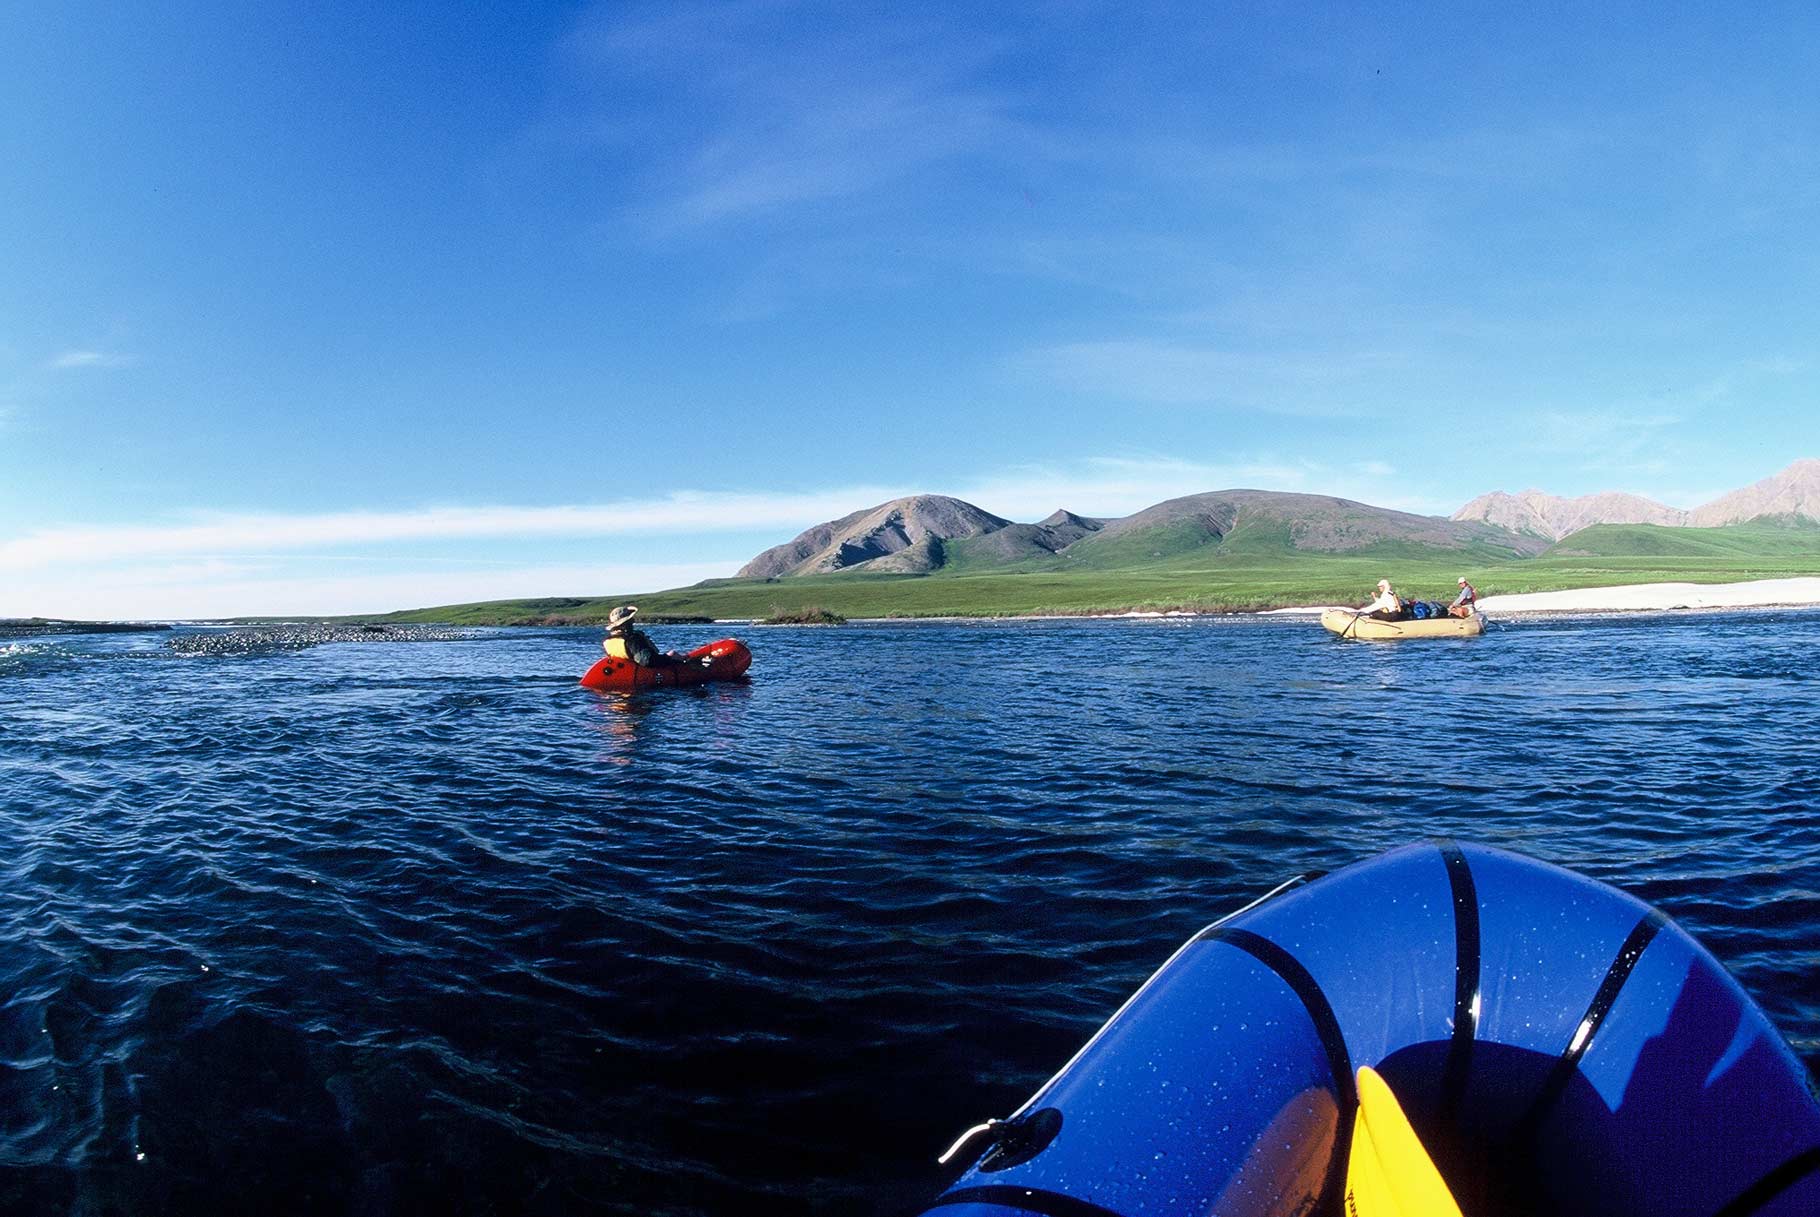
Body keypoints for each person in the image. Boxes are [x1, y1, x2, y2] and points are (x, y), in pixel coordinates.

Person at [602, 605, 678, 667]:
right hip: (646, 673)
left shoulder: (607, 641)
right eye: (631, 620)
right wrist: (668, 657)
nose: (633, 621)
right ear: (625, 623)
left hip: (626, 671)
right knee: (674, 655)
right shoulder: (632, 640)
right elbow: (647, 661)